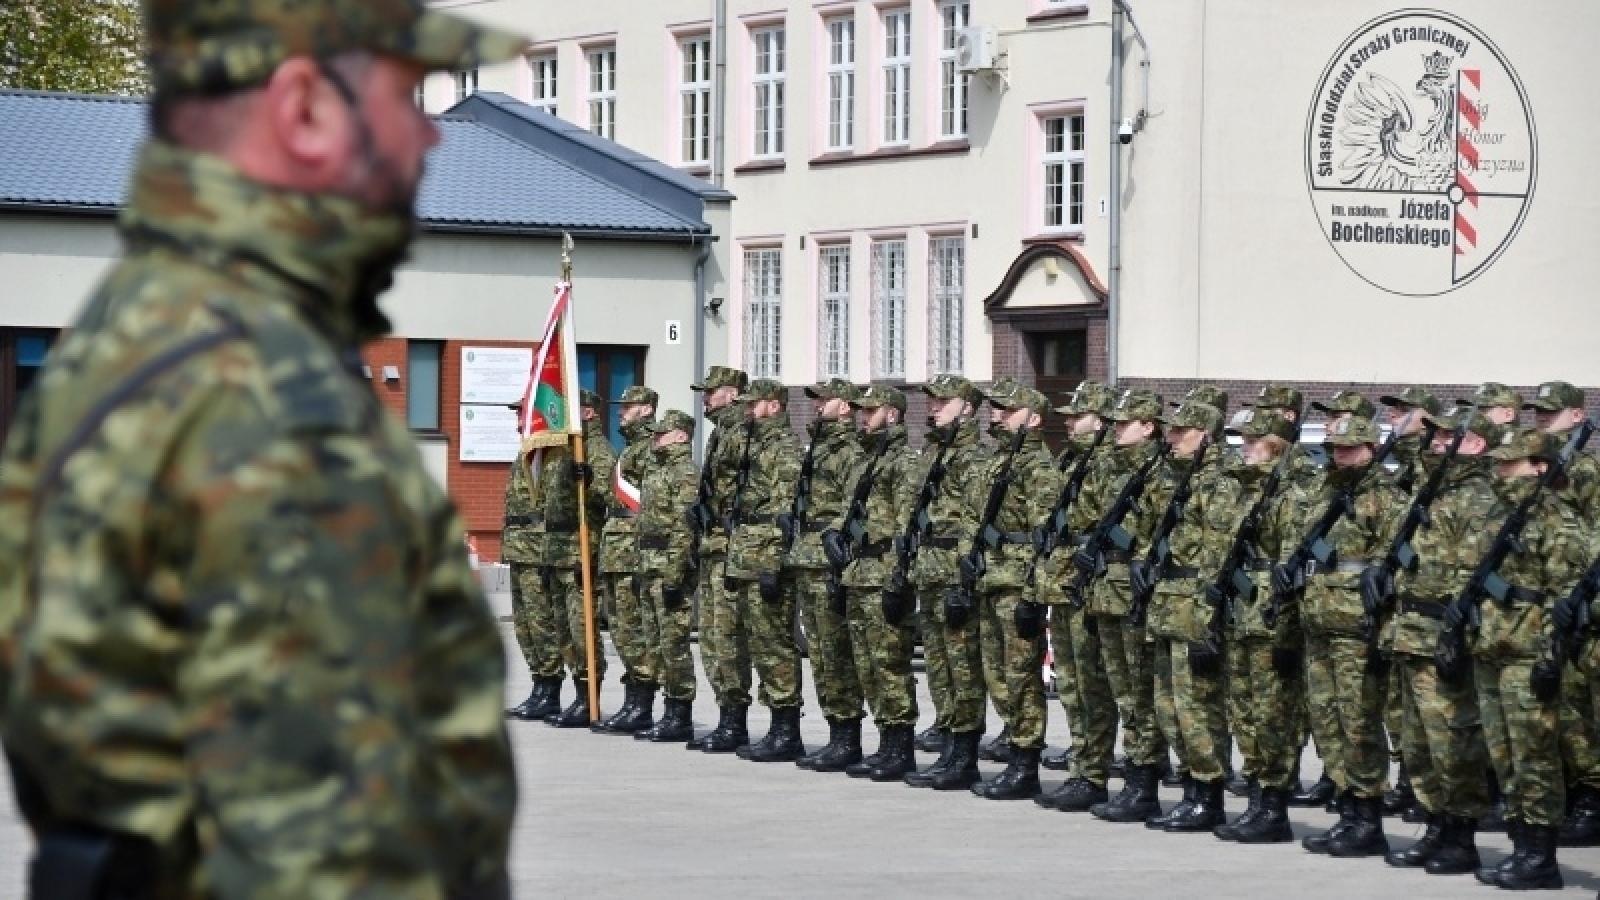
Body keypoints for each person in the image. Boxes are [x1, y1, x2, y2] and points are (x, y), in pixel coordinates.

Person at [0, 1, 528, 894]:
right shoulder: (267, 400)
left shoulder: (148, 331)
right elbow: (330, 851)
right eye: (409, 98)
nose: (431, 141)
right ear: (305, 109)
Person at [1464, 428, 1590, 889]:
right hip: (1492, 649)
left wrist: (1551, 657)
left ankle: (1541, 856)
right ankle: (1520, 846)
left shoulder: (1559, 521)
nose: (1499, 470)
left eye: (1510, 463)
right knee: (1504, 757)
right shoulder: (1504, 515)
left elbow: (1567, 598)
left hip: (1527, 654)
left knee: (1534, 756)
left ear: (1540, 466)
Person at [1274, 414, 1404, 858]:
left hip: (1357, 630)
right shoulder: (1325, 494)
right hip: (1318, 623)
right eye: (1337, 448)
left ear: (1371, 449)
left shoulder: (1386, 498)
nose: (1342, 455)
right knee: (1327, 723)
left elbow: (1392, 564)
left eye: (1351, 448)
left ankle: (1368, 817)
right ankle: (1347, 811)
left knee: (1358, 724)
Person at [1381, 407, 1500, 868]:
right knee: (1418, 743)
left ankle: (1461, 835)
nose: (1437, 441)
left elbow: (1473, 576)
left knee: (1453, 740)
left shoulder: (1478, 496)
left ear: (1476, 444)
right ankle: (1435, 825)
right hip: (1411, 632)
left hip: (1444, 633)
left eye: (1450, 435)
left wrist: (1460, 634)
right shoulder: (1434, 489)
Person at [1135, 400, 1231, 831]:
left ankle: (1207, 795)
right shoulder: (1171, 477)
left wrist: (1210, 616)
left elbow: (1219, 554)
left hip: (1195, 603)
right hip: (1167, 601)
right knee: (1168, 705)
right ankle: (1191, 787)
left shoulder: (1218, 483)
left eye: (1182, 431)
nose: (1171, 437)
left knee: (1196, 706)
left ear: (1206, 434)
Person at [1213, 408, 1307, 844]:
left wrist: (1288, 631)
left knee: (1273, 716)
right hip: (1239, 614)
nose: (1244, 446)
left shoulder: (1290, 494)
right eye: (1243, 439)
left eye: (1254, 440)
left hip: (1269, 618)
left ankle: (1274, 804)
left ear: (1278, 445)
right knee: (1244, 712)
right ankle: (1256, 798)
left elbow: (1293, 571)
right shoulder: (1242, 489)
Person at [1074, 389, 1168, 823]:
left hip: (1137, 590)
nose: (1114, 429)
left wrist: (1126, 543)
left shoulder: (1163, 472)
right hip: (1106, 588)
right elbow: (1086, 519)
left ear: (1148, 426)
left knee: (1140, 694)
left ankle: (1143, 780)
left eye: (1123, 422)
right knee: (1119, 689)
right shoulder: (1109, 468)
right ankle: (1129, 775)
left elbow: (1165, 533)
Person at [968, 381, 1062, 800]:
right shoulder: (998, 461)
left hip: (1018, 581)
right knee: (998, 675)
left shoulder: (1039, 469)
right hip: (992, 575)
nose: (997, 415)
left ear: (1034, 419)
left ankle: (1025, 763)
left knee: (1022, 677)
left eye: (1008, 410)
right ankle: (1012, 749)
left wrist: (1033, 595)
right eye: (997, 409)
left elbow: (1046, 539)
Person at [825, 385, 923, 779]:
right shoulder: (866, 459)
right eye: (861, 410)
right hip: (858, 572)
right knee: (866, 664)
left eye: (872, 410)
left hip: (883, 571)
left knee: (890, 664)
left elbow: (906, 525)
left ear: (894, 415)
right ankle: (884, 743)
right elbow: (849, 511)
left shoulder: (902, 461)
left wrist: (898, 580)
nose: (863, 416)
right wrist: (835, 532)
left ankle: (901, 747)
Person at [904, 374, 992, 791]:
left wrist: (963, 581)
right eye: (932, 400)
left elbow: (974, 525)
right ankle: (948, 743)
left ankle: (965, 753)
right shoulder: (933, 453)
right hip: (928, 568)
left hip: (954, 573)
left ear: (968, 408)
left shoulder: (974, 458)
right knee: (939, 668)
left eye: (944, 401)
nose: (934, 407)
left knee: (962, 669)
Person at [1035, 381, 1120, 812]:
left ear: (1101, 421)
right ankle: (1080, 765)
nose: (1068, 421)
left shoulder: (1106, 465)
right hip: (1065, 583)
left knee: (1092, 686)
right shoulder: (1071, 461)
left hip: (1090, 585)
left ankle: (1094, 772)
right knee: (1070, 683)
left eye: (1078, 415)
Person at [1523, 381, 1600, 846]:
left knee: (1582, 709)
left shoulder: (1585, 472)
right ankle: (1578, 793)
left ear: (1576, 416)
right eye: (1538, 414)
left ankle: (1592, 798)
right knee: (1564, 711)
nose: (1541, 420)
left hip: (1582, 606)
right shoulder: (1547, 471)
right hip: (1551, 604)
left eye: (1550, 414)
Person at [786, 380, 868, 772]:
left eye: (824, 400)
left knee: (837, 655)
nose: (817, 405)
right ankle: (836, 733)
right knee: (819, 654)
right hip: (808, 557)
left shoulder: (850, 451)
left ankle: (847, 737)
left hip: (829, 561)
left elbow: (852, 507)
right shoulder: (819, 448)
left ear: (846, 407)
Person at [723, 379, 807, 762]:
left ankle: (786, 729)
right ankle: (775, 726)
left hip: (766, 559)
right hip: (747, 556)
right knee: (758, 644)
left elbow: (784, 512)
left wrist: (774, 564)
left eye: (753, 403)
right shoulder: (754, 444)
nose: (747, 408)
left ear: (773, 406)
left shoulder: (784, 448)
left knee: (774, 645)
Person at [1375, 387, 1443, 817]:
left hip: (1431, 605)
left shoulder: (1436, 468)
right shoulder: (1403, 464)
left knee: (1430, 712)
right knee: (1400, 707)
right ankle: (1409, 782)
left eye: (1405, 411)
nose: (1396, 417)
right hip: (1402, 603)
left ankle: (1430, 796)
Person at [686, 365, 753, 752]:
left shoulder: (740, 431)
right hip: (713, 545)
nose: (705, 399)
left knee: (727, 637)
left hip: (730, 545)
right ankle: (727, 716)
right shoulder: (720, 433)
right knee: (711, 636)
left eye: (711, 392)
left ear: (731, 393)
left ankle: (735, 720)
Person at [542, 388, 617, 728]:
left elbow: (604, 506)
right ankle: (577, 692)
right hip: (558, 550)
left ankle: (590, 697)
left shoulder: (597, 451)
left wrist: (589, 485)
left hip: (580, 549)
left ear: (588, 413)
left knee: (581, 626)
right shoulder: (564, 450)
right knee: (563, 629)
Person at [592, 385, 661, 735]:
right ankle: (633, 701)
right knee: (620, 628)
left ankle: (643, 704)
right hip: (617, 549)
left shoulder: (651, 447)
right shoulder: (631, 447)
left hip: (632, 549)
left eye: (629, 406)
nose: (622, 411)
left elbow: (648, 500)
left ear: (647, 409)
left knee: (635, 629)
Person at [633, 410, 702, 744]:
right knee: (655, 643)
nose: (655, 438)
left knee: (674, 644)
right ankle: (667, 708)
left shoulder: (684, 472)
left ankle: (680, 713)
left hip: (668, 568)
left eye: (662, 433)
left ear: (681, 436)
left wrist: (675, 575)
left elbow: (684, 528)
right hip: (648, 565)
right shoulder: (655, 470)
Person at [504, 398, 567, 721]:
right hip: (517, 550)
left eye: (523, 413)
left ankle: (550, 689)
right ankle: (539, 685)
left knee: (542, 623)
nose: (518, 419)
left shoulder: (550, 455)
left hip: (536, 550)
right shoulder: (525, 452)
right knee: (524, 625)